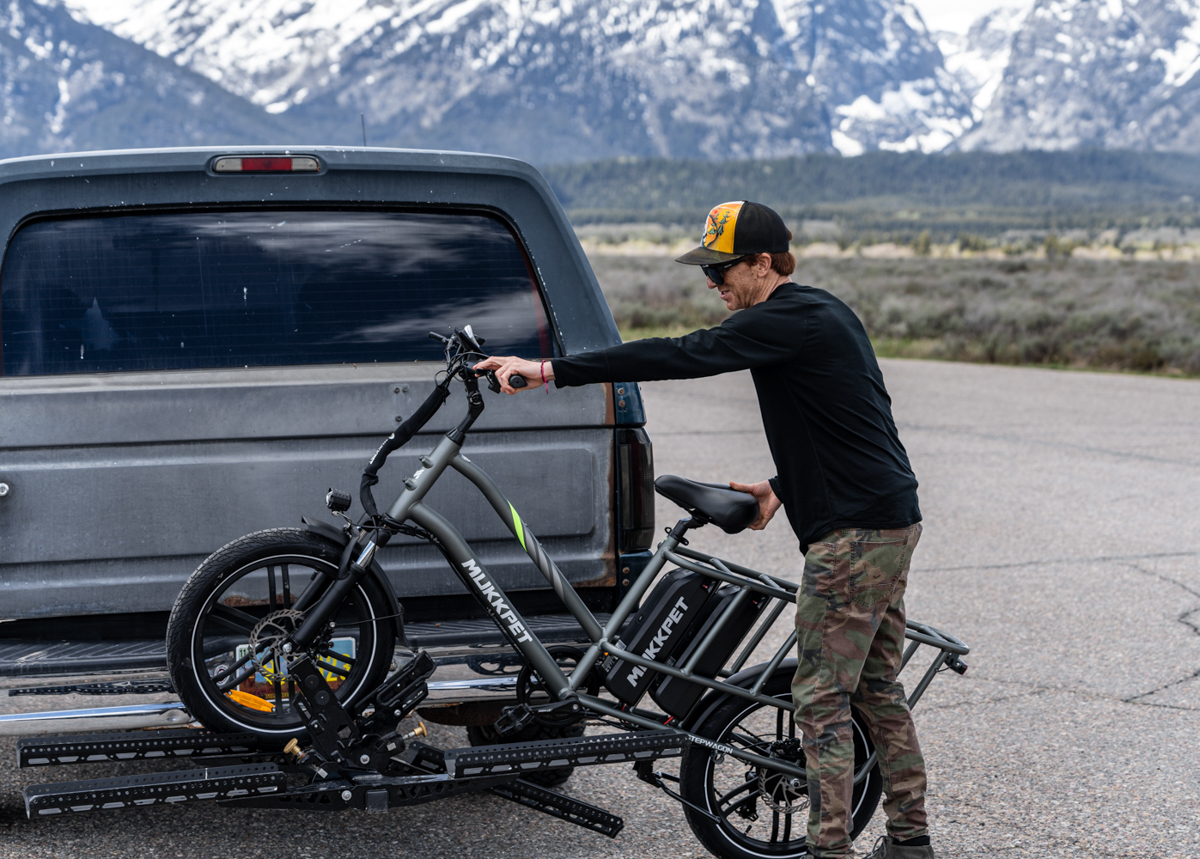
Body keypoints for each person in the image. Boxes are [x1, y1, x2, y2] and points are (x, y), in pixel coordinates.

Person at [477, 200, 933, 859]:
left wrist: (550, 371)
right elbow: (854, 419)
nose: (713, 284)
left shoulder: (787, 318)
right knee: (875, 688)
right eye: (706, 273)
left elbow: (684, 353)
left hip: (856, 537)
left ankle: (830, 850)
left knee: (819, 697)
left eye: (722, 270)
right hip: (886, 519)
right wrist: (783, 485)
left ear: (764, 263)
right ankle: (911, 841)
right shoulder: (821, 314)